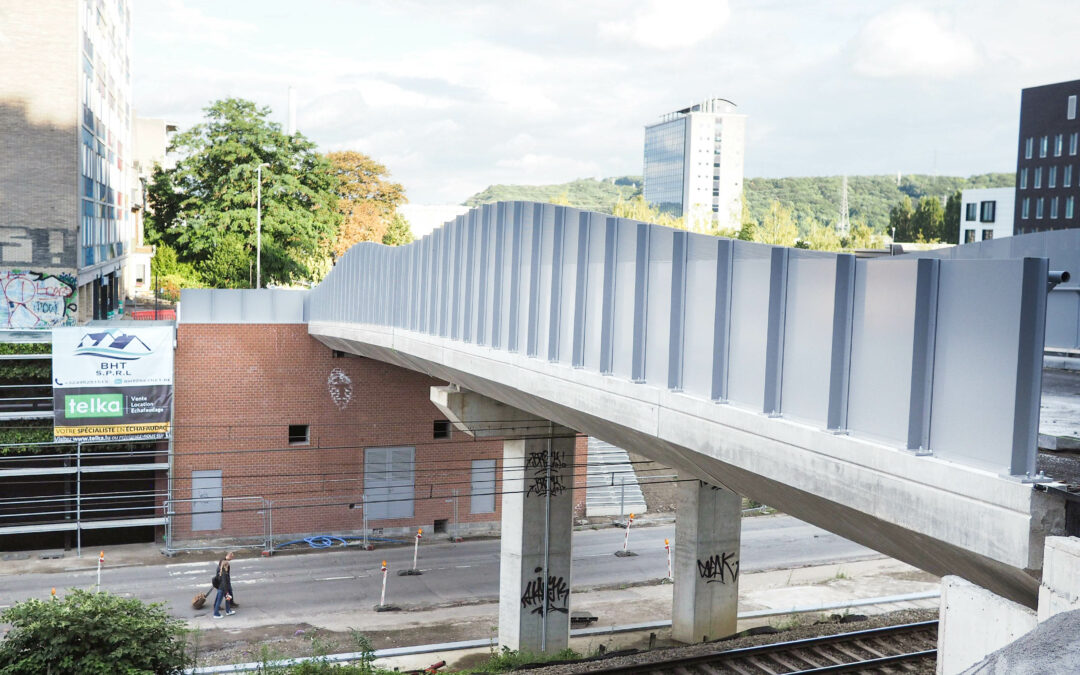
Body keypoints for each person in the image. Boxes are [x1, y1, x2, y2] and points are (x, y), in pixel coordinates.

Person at [212, 552, 236, 618]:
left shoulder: (221, 572)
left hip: (222, 588)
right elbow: (224, 583)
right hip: (223, 589)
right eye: (228, 566)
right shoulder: (224, 574)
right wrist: (226, 592)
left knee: (227, 599)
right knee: (219, 601)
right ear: (226, 566)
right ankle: (216, 614)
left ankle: (228, 611)